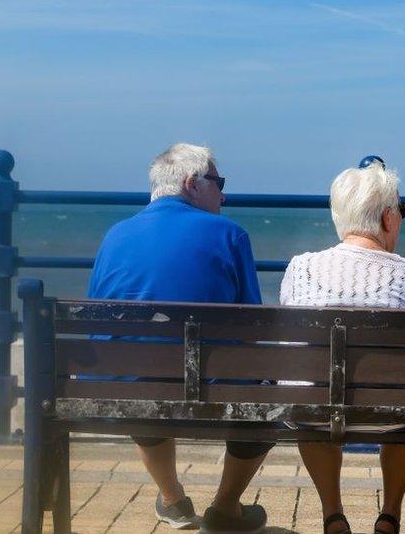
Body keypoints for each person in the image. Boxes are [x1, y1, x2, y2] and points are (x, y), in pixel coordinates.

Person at [88, 143, 273, 533]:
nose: (223, 194)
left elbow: (97, 322)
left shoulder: (115, 234)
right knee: (266, 386)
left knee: (138, 369)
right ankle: (224, 508)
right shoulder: (230, 234)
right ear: (191, 184)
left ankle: (172, 500)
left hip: (125, 390)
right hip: (210, 389)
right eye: (218, 182)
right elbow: (254, 327)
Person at [279, 159, 405, 534]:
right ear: (386, 218)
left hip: (312, 408)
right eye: (400, 211)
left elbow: (290, 347)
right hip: (392, 414)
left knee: (311, 392)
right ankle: (390, 514)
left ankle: (333, 514)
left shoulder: (299, 268)